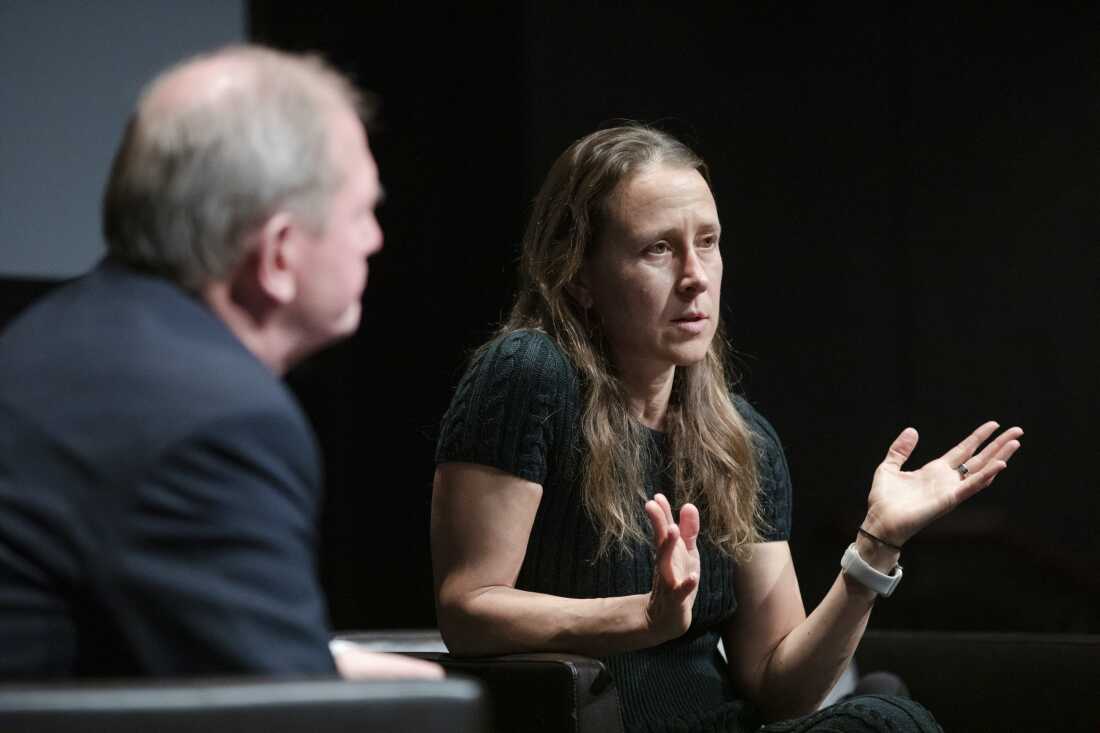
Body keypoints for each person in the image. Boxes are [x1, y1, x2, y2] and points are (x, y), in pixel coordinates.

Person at [431, 125, 1022, 732]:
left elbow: (778, 687)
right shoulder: (529, 375)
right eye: (658, 248)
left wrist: (875, 547)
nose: (696, 276)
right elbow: (468, 610)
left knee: (881, 717)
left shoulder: (742, 440)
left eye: (707, 243)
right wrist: (645, 617)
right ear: (580, 275)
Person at [0, 45, 440, 681]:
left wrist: (333, 665)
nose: (375, 239)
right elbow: (281, 720)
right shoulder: (214, 422)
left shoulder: (52, 337)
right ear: (279, 255)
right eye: (361, 211)